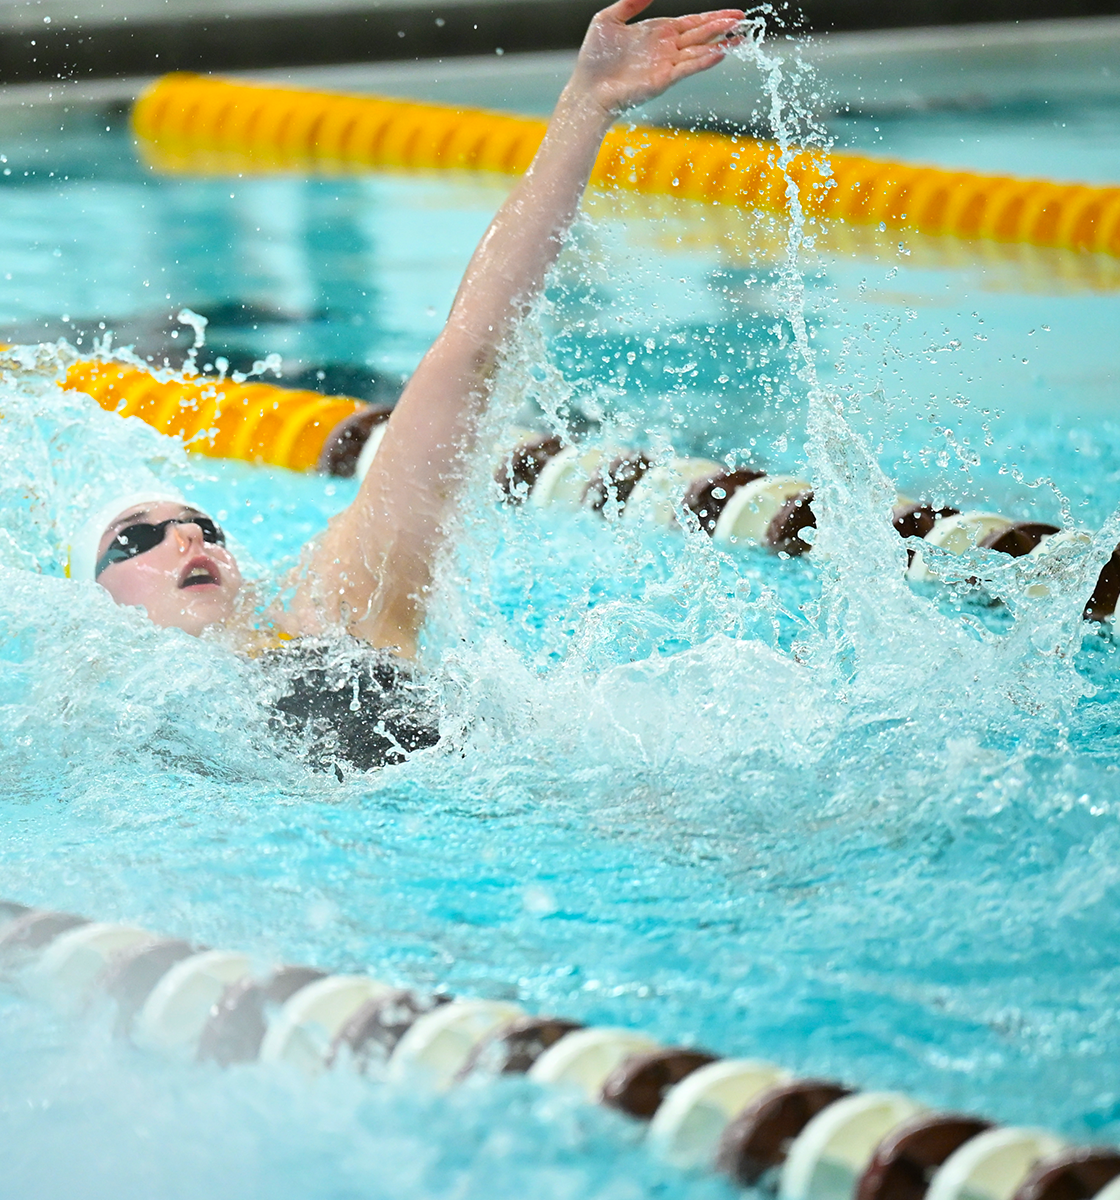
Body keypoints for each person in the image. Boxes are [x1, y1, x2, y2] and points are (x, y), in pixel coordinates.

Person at [69, 0, 745, 770]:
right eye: (136, 540)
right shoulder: (106, 723)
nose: (187, 537)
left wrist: (584, 106)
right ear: (98, 612)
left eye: (201, 525)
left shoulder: (336, 606)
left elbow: (469, 354)